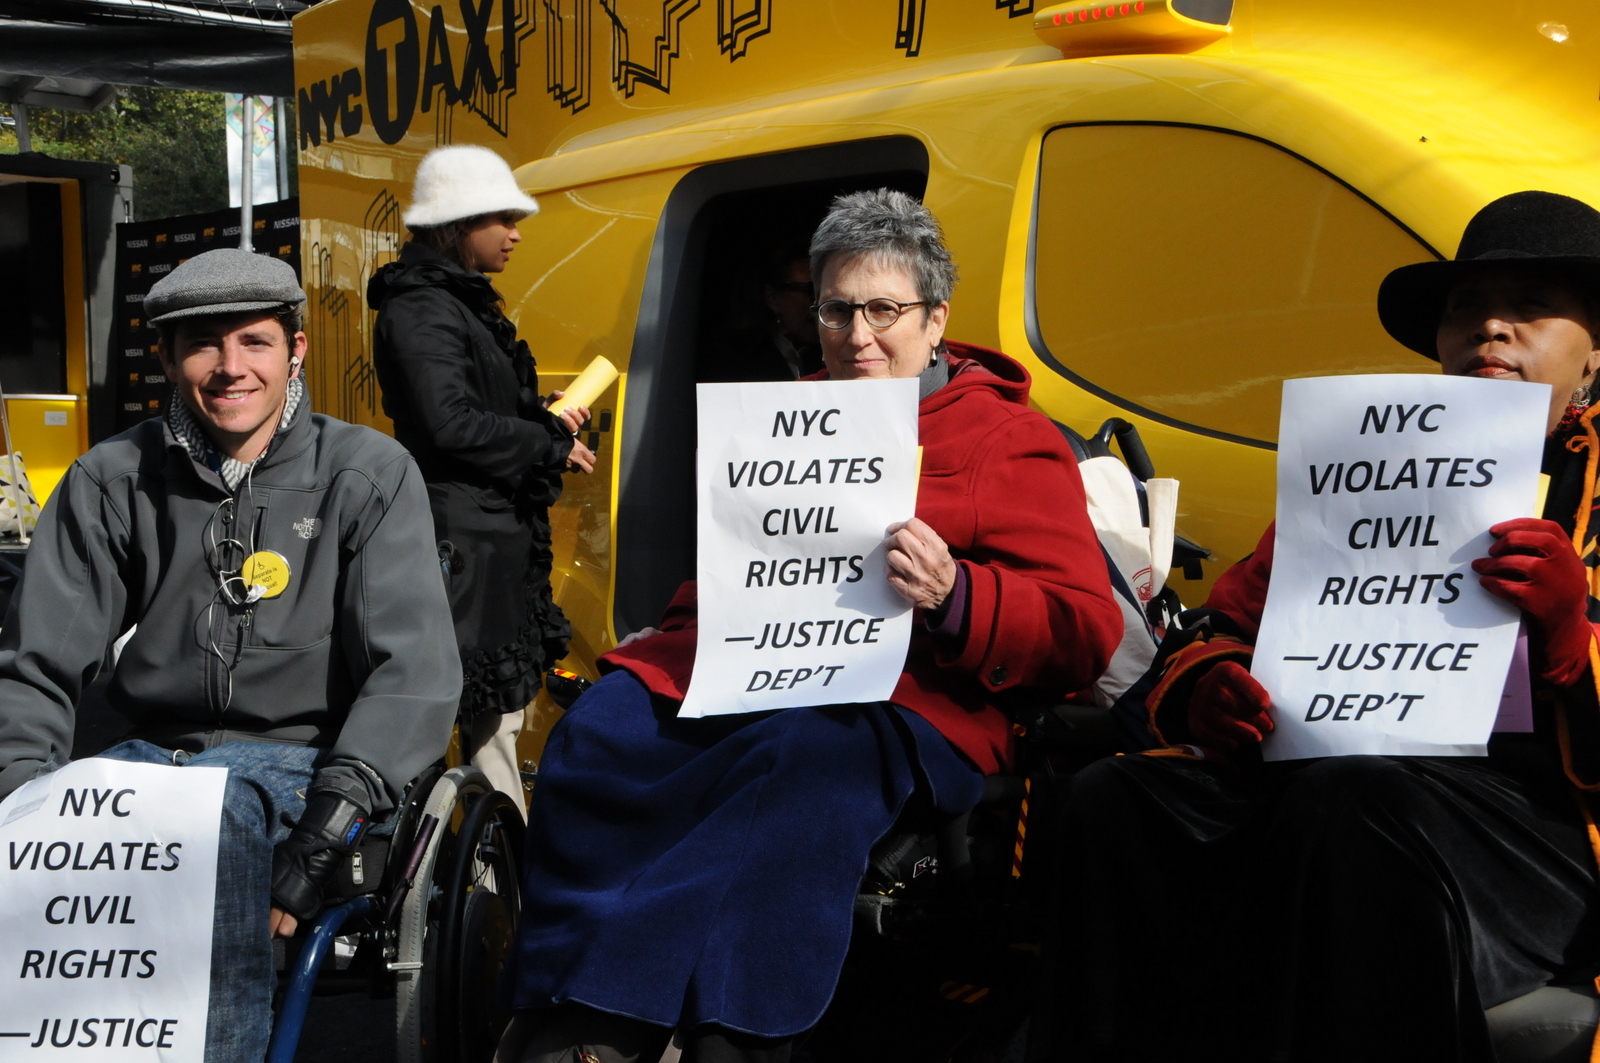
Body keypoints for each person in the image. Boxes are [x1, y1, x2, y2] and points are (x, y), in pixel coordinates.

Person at [494, 188, 1123, 1063]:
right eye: (836, 309)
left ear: (936, 319)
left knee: (797, 765)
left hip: (903, 700)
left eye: (883, 309)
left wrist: (957, 594)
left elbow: (1083, 626)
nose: (858, 335)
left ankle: (729, 1037)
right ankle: (574, 1008)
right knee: (600, 728)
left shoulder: (1003, 437)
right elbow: (727, 575)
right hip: (754, 669)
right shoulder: (785, 414)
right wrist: (671, 642)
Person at [1060, 190, 1600, 1062]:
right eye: (1467, 309)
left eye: (1532, 305)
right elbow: (1221, 625)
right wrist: (1209, 689)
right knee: (1115, 799)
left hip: (1540, 827)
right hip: (1339, 780)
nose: (1491, 328)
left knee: (1353, 800)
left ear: (1595, 350)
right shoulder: (1370, 460)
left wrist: (1574, 644)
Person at [0, 248, 460, 1061]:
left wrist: (330, 825)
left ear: (296, 349)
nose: (230, 368)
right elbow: (36, 663)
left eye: (253, 341)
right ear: (169, 359)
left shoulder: (368, 473)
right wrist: (23, 802)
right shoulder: (111, 479)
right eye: (203, 345)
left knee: (215, 822)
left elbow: (411, 673)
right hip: (155, 759)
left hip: (311, 765)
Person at [369, 145, 594, 810]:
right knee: (479, 722)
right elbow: (450, 426)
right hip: (463, 543)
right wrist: (545, 440)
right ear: (454, 224)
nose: (516, 232)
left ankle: (490, 871)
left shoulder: (453, 301)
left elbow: (469, 410)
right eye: (500, 217)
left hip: (486, 538)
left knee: (495, 721)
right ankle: (489, 882)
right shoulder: (424, 306)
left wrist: (540, 417)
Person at [700, 243, 823, 382]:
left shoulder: (834, 355)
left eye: (821, 291)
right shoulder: (729, 359)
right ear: (773, 298)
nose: (818, 301)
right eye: (808, 289)